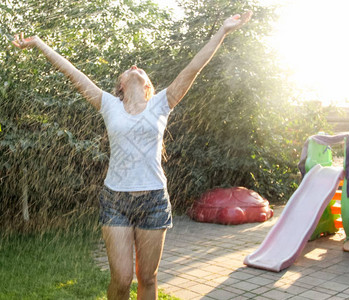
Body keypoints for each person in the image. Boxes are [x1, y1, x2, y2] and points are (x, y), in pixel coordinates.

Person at [13, 10, 252, 300]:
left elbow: (193, 68)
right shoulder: (109, 105)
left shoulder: (161, 104)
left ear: (148, 86)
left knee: (147, 279)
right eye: (128, 69)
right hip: (116, 200)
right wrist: (38, 43)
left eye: (140, 68)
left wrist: (223, 31)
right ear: (122, 85)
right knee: (122, 279)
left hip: (153, 200)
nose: (135, 65)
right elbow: (72, 73)